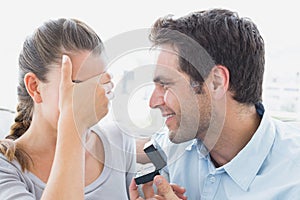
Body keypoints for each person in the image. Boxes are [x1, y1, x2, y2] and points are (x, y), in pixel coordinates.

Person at [131, 8, 300, 199]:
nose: (153, 102)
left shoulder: (293, 180)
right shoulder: (181, 143)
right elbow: (144, 148)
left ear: (216, 82)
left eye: (166, 85)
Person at [0, 18, 135, 199]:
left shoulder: (119, 141)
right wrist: (74, 122)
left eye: (97, 85)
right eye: (78, 86)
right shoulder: (5, 169)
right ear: (34, 87)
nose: (91, 100)